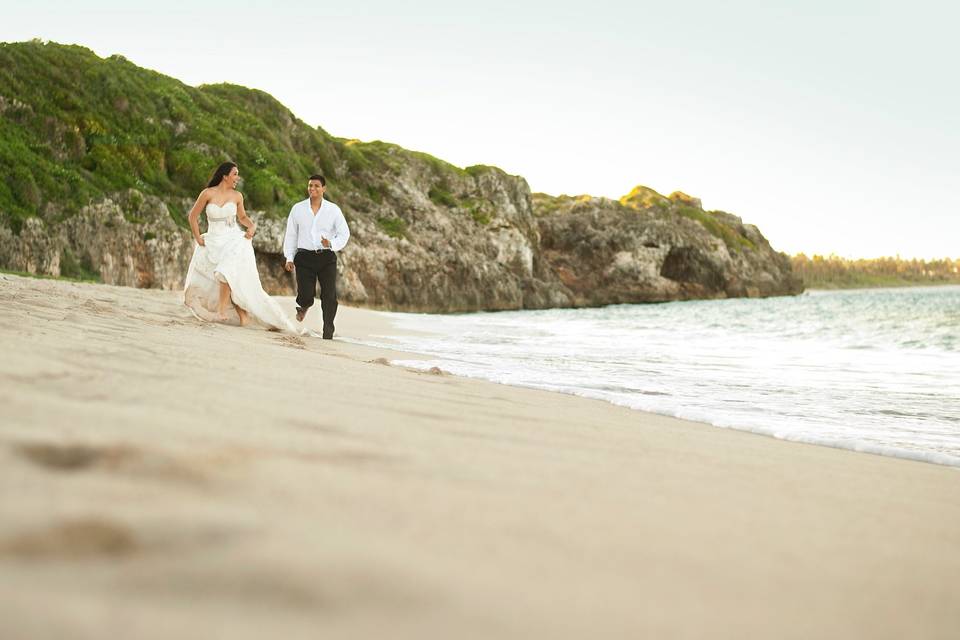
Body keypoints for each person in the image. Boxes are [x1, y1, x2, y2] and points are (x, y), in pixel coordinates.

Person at [183, 162, 298, 333]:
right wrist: (198, 237)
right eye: (235, 174)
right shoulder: (207, 193)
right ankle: (243, 316)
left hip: (234, 239)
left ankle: (222, 311)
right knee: (229, 280)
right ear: (225, 176)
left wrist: (252, 227)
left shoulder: (237, 196)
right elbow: (192, 216)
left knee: (225, 271)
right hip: (213, 240)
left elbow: (242, 217)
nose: (238, 177)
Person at [283, 174, 350, 339]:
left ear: (324, 189)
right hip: (304, 257)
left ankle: (328, 332)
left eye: (316, 186)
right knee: (306, 294)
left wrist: (331, 244)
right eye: (310, 186)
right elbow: (291, 235)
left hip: (326, 257)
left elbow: (344, 233)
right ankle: (304, 305)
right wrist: (289, 257)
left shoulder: (333, 210)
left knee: (329, 295)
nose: (312, 189)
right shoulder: (297, 209)